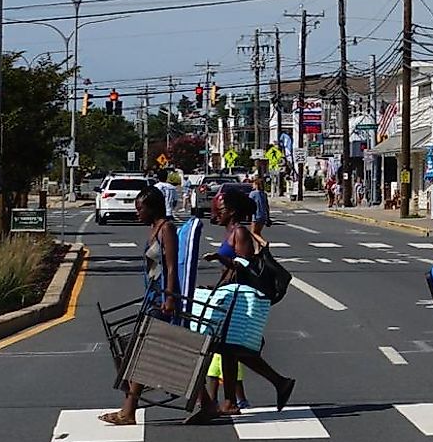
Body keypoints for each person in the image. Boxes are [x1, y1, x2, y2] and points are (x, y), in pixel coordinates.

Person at [191, 182, 295, 423]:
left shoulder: (240, 232)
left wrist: (219, 258)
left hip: (241, 301)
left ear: (232, 212)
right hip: (230, 295)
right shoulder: (230, 232)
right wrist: (215, 286)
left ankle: (279, 382)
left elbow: (243, 264)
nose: (214, 213)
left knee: (234, 348)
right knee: (228, 349)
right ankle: (230, 402)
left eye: (219, 209)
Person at [100, 186, 181, 427]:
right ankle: (205, 400)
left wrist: (169, 297)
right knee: (164, 353)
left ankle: (129, 411)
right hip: (151, 296)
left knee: (141, 352)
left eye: (140, 209)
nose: (137, 213)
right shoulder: (152, 229)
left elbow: (170, 266)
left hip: (161, 299)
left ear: (153, 207)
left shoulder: (166, 228)